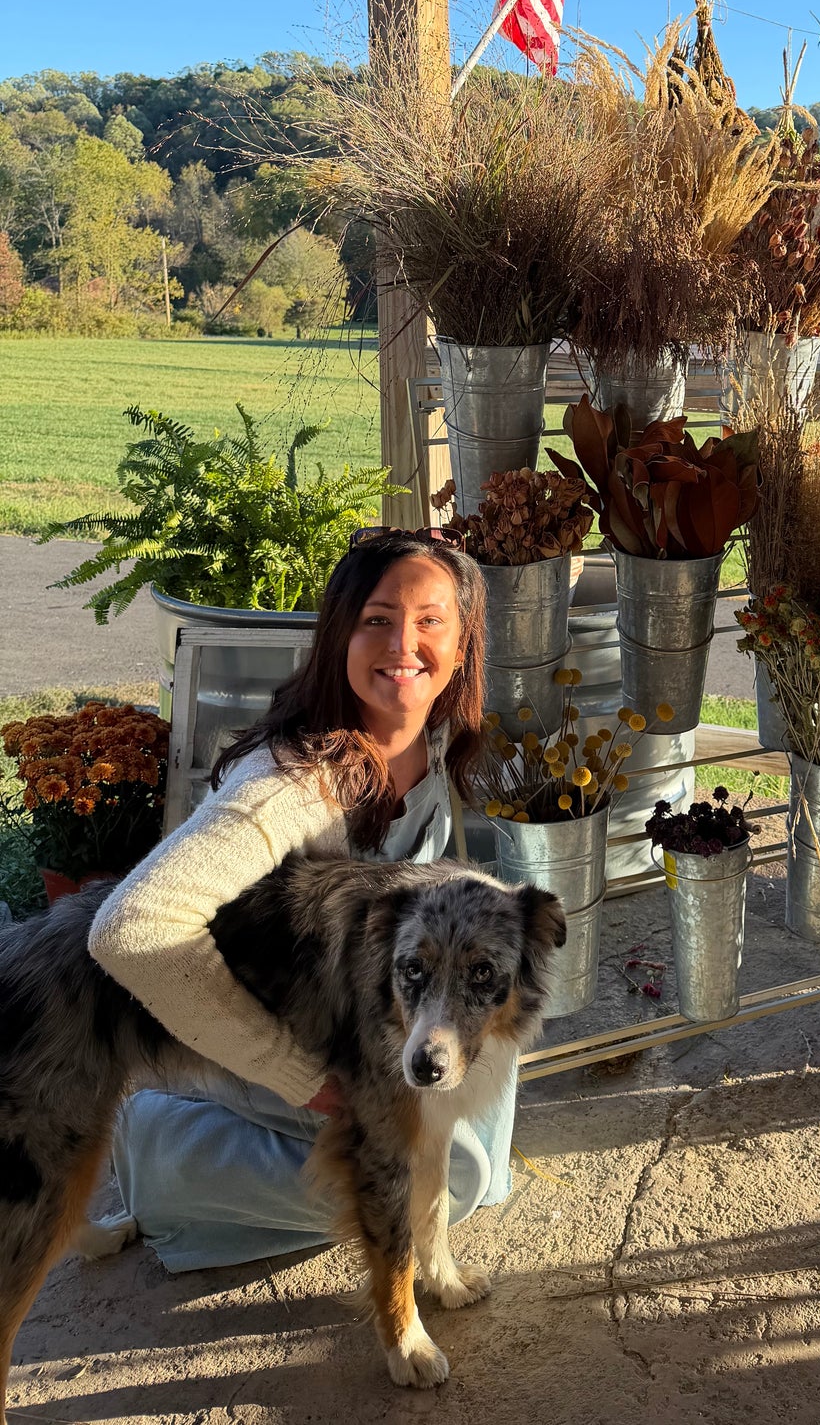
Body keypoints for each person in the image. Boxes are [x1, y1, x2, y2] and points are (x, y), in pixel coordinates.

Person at [87, 530, 518, 1269]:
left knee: (484, 1112)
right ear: (338, 634)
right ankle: (164, 1155)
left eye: (430, 619)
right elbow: (129, 928)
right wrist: (297, 1076)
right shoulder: (291, 783)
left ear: (464, 639)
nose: (403, 643)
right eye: (377, 618)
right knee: (459, 1179)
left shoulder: (436, 737)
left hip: (376, 1025)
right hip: (275, 1041)